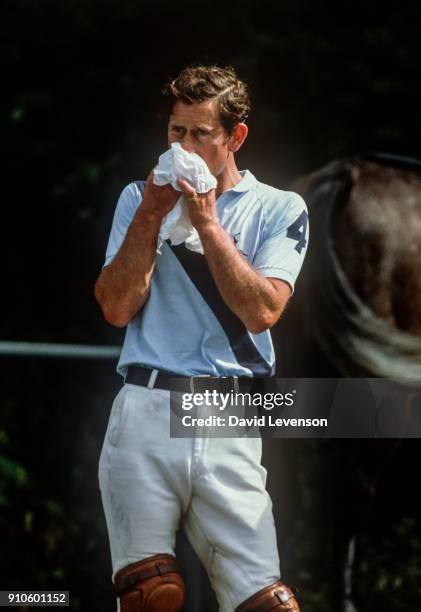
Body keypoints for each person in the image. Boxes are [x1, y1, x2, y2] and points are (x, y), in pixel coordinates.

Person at [95, 65, 308, 612]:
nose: (184, 145)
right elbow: (116, 308)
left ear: (235, 137)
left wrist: (207, 224)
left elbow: (263, 310)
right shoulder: (136, 199)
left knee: (266, 604)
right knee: (150, 595)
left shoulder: (280, 207)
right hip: (146, 402)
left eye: (200, 133)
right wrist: (151, 213)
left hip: (228, 412)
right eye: (175, 132)